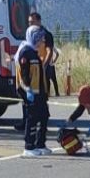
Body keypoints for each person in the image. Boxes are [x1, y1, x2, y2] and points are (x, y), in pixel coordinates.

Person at [15, 11, 51, 157]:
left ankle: (40, 144)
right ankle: (29, 146)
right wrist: (28, 90)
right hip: (31, 93)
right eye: (39, 39)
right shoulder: (25, 53)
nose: (41, 41)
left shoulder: (33, 52)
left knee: (43, 117)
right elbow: (23, 75)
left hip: (40, 92)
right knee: (32, 119)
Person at [43, 28, 61, 97]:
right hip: (50, 64)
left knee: (51, 79)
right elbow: (57, 53)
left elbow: (57, 53)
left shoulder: (49, 46)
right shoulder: (48, 45)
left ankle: (53, 92)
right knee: (51, 79)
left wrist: (54, 60)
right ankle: (51, 93)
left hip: (49, 64)